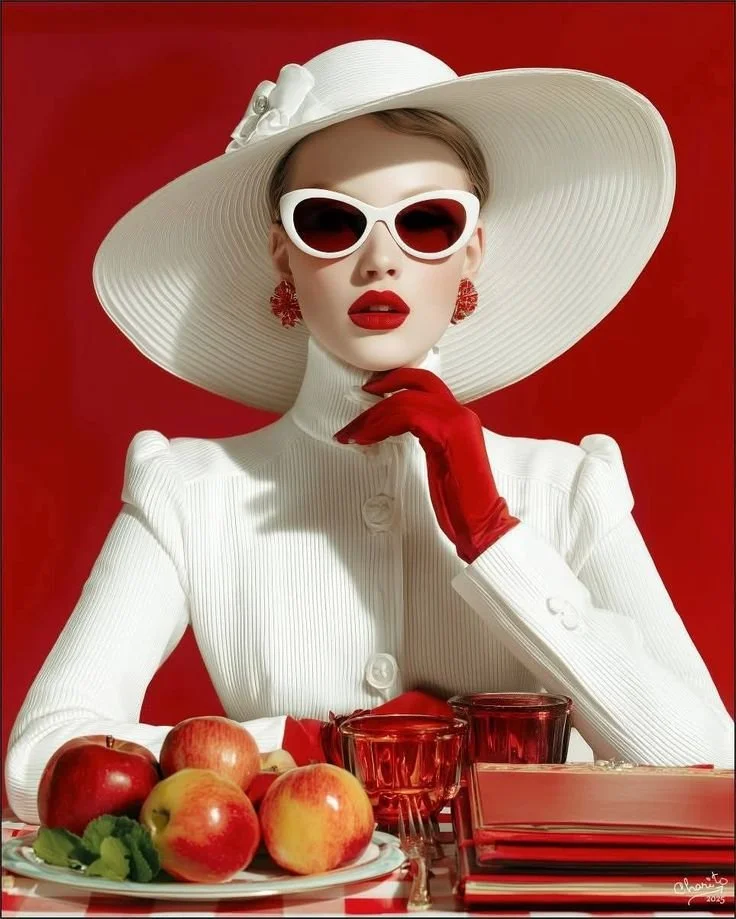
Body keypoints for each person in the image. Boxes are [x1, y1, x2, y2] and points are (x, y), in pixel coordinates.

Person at [6, 39, 733, 825]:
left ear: (472, 253)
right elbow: (37, 761)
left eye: (425, 222)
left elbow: (713, 769)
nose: (378, 260)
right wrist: (296, 746)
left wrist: (497, 538)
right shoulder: (189, 491)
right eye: (331, 221)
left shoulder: (565, 488)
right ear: (282, 256)